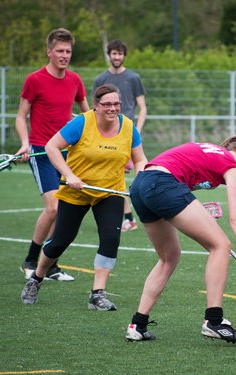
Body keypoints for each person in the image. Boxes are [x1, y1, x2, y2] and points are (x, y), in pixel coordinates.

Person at [125, 136, 236, 343]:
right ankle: (214, 321)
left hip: (141, 184)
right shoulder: (231, 165)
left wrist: (198, 210)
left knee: (169, 257)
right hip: (162, 184)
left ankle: (138, 325)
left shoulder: (212, 153)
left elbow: (179, 180)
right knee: (221, 246)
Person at [21, 84, 147, 310]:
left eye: (116, 104)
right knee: (60, 240)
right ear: (96, 106)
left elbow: (139, 159)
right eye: (107, 104)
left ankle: (97, 294)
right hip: (76, 191)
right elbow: (51, 147)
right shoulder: (82, 122)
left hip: (109, 191)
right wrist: (69, 175)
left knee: (110, 239)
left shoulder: (129, 127)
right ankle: (37, 277)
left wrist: (141, 179)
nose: (112, 108)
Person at [15, 28, 89, 281]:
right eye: (59, 50)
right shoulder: (34, 79)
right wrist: (25, 143)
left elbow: (87, 116)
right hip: (40, 151)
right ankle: (30, 260)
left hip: (68, 154)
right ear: (49, 52)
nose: (64, 55)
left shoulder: (75, 80)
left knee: (65, 210)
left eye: (68, 51)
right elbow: (20, 116)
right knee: (54, 207)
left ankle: (51, 265)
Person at [93, 40, 147, 233]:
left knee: (139, 173)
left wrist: (136, 131)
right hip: (108, 137)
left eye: (120, 54)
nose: (117, 57)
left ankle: (139, 212)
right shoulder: (101, 79)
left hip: (128, 135)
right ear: (109, 55)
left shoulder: (133, 78)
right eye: (114, 53)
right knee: (115, 175)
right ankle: (128, 217)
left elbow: (143, 108)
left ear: (124, 55)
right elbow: (95, 109)